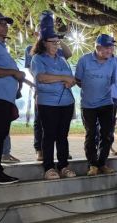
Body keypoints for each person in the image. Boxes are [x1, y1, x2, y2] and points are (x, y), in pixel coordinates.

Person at [30, 20, 76, 180]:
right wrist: (62, 77)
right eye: (54, 42)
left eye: (58, 41)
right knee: (49, 135)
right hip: (47, 103)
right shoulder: (38, 58)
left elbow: (71, 78)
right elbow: (42, 77)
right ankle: (49, 167)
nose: (57, 44)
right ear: (43, 43)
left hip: (66, 103)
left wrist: (68, 80)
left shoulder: (62, 59)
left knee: (63, 135)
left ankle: (63, 165)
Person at [75, 34, 117, 176]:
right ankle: (92, 164)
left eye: (112, 47)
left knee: (108, 134)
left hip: (106, 103)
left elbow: (115, 81)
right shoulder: (84, 60)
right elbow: (78, 80)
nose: (110, 51)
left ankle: (102, 163)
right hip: (88, 105)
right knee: (91, 134)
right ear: (98, 47)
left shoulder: (114, 62)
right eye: (107, 48)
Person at [0, 12, 23, 184]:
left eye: (6, 23)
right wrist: (13, 72)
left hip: (4, 99)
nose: (5, 26)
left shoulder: (1, 46)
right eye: (0, 23)